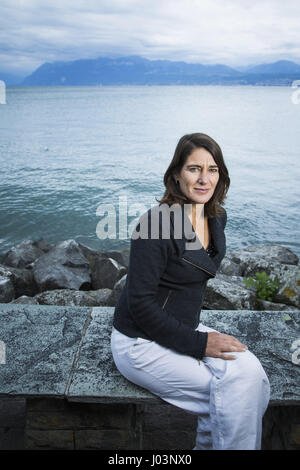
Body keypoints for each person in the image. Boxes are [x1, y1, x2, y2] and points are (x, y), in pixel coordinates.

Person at [110, 132, 270, 450]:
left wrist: (196, 337)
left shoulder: (216, 217)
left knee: (253, 375)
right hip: (139, 342)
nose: (203, 179)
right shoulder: (154, 224)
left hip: (182, 327)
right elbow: (140, 304)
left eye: (212, 169)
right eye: (193, 168)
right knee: (236, 396)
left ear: (220, 175)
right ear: (176, 175)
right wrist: (200, 343)